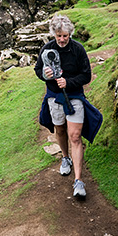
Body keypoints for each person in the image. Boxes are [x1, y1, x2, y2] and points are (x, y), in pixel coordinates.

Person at [34, 14, 91, 198]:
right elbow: (37, 70)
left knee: (75, 136)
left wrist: (68, 82)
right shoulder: (47, 49)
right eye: (59, 35)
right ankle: (65, 158)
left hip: (74, 96)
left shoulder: (78, 50)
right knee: (59, 129)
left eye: (65, 35)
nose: (62, 39)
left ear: (70, 34)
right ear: (54, 34)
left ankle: (79, 181)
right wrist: (45, 74)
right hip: (54, 97)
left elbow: (86, 76)